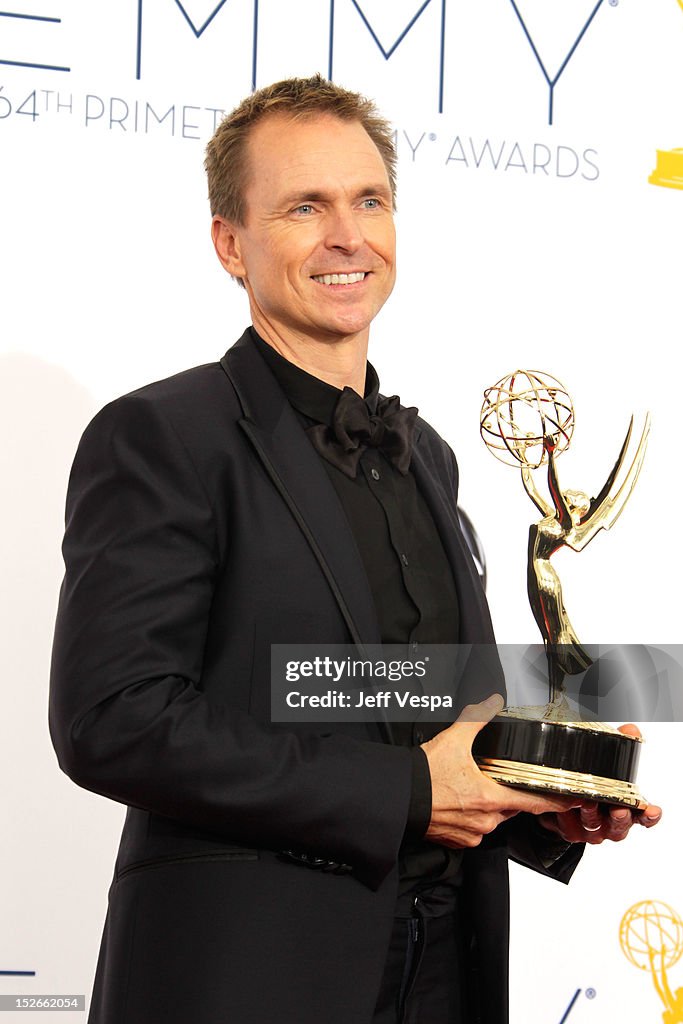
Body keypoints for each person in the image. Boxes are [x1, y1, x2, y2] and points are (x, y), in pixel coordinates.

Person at [49, 75, 662, 1024]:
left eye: (368, 200)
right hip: (250, 977)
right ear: (230, 244)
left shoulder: (430, 459)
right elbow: (114, 719)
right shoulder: (163, 436)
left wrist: (538, 794)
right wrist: (409, 790)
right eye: (305, 206)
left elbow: (422, 711)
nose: (348, 236)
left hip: (446, 972)